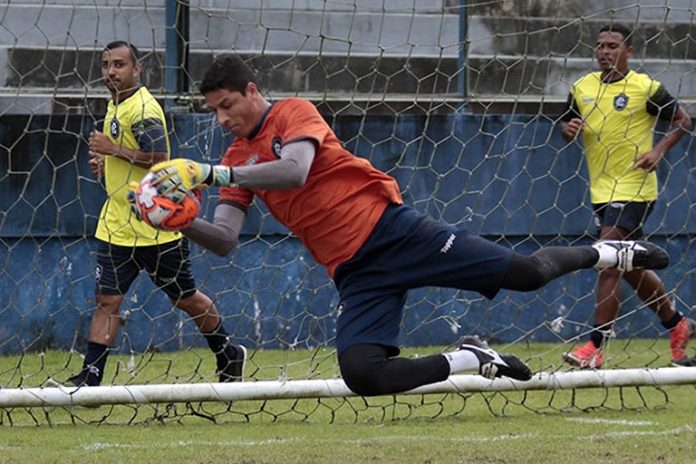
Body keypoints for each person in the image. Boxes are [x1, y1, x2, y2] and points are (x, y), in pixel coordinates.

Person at [133, 54, 669, 396]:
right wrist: (177, 218)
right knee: (363, 374)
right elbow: (225, 238)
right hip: (355, 272)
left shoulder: (291, 111)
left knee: (527, 274)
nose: (224, 119)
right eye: (216, 113)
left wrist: (210, 170)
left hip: (396, 232)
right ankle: (469, 357)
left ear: (251, 90)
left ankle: (611, 253)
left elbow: (295, 171)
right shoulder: (235, 154)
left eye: (228, 106)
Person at [68, 41, 246, 387]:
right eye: (106, 65)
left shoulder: (144, 109)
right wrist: (108, 164)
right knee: (108, 300)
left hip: (156, 227)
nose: (111, 72)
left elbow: (160, 157)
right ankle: (89, 379)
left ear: (138, 70)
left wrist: (112, 148)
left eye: (119, 65)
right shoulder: (115, 104)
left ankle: (227, 352)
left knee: (187, 299)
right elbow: (133, 158)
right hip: (117, 224)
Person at [559, 24, 693, 368]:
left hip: (635, 188)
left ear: (628, 50)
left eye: (612, 45)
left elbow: (682, 120)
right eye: (600, 45)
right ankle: (676, 325)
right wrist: (567, 129)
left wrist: (659, 150)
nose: (604, 51)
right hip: (600, 190)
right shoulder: (581, 87)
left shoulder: (645, 88)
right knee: (630, 266)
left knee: (607, 259)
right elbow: (566, 123)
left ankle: (595, 346)